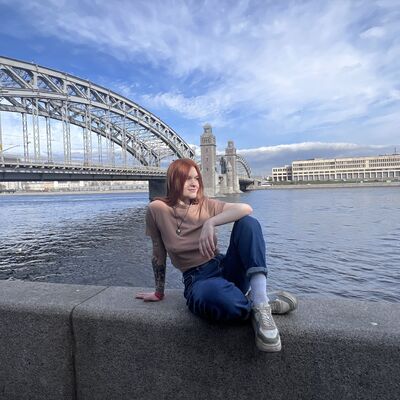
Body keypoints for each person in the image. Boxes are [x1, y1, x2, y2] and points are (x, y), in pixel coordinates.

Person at [136, 158, 297, 352]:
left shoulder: (206, 204)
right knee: (219, 300)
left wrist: (210, 222)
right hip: (198, 279)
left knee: (248, 223)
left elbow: (245, 208)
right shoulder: (156, 209)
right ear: (173, 180)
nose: (194, 183)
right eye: (187, 178)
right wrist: (159, 292)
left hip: (226, 268)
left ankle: (261, 301)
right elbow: (158, 252)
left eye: (196, 178)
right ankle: (254, 302)